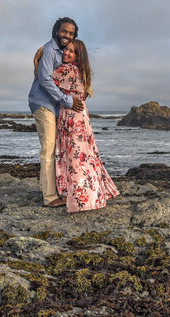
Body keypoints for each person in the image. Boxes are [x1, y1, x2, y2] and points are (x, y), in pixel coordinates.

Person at [52, 39, 119, 212]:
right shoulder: (82, 72)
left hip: (72, 116)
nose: (66, 53)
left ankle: (81, 199)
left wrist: (37, 61)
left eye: (71, 51)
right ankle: (93, 194)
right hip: (82, 116)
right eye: (66, 49)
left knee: (75, 156)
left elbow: (45, 79)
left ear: (78, 56)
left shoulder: (68, 70)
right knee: (86, 155)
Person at [28, 17, 84, 207]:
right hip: (43, 103)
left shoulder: (63, 53)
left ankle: (58, 190)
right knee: (49, 149)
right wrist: (66, 101)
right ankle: (49, 197)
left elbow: (52, 77)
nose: (66, 35)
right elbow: (45, 81)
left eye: (70, 33)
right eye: (64, 31)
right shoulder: (50, 50)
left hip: (55, 106)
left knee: (58, 149)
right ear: (56, 31)